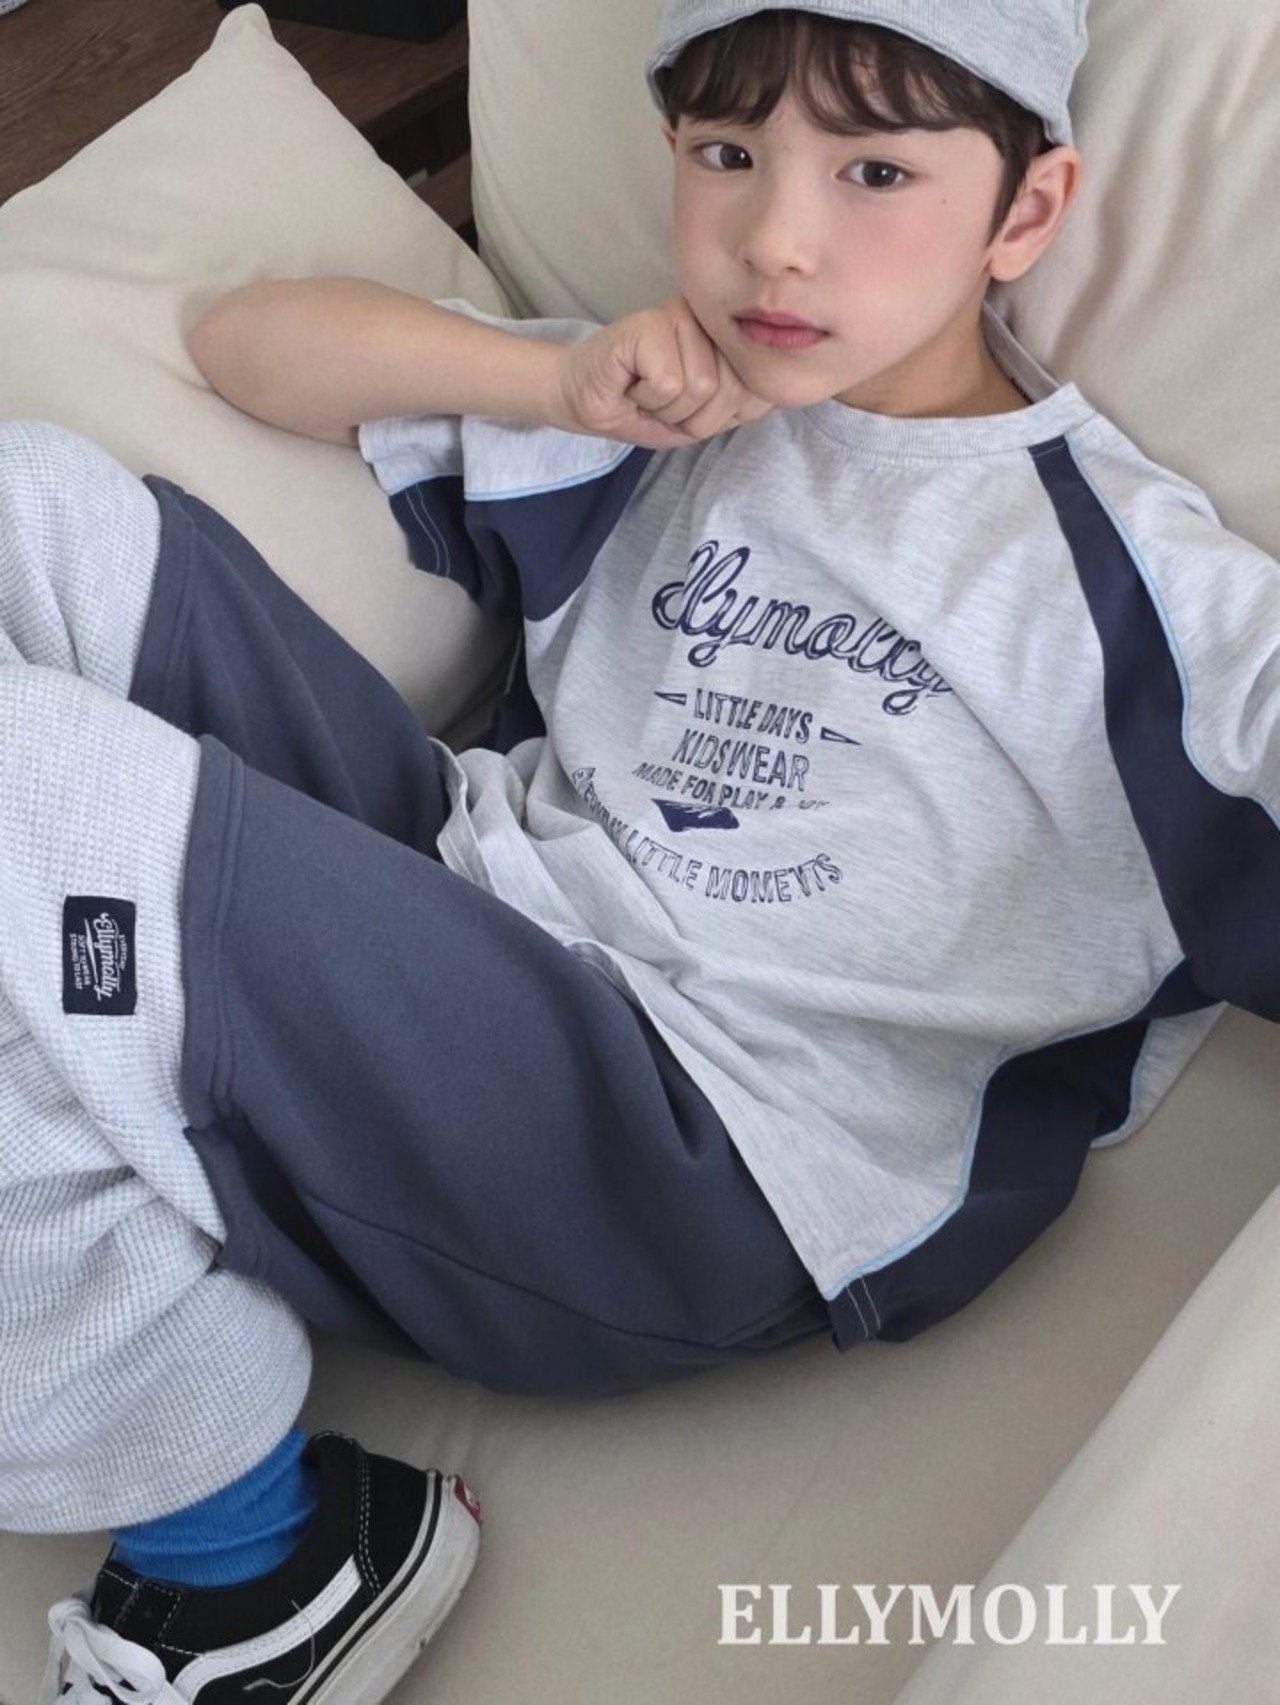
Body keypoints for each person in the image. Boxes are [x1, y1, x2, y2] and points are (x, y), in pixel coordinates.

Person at [12, 0, 1280, 1697]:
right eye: (729, 153)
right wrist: (552, 380)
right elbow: (249, 346)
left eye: (877, 172)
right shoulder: (654, 409)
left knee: (26, 785)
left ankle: (249, 1565)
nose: (777, 238)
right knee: (37, 500)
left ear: (1025, 211)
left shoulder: (1146, 593)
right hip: (462, 910)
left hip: (706, 1148)